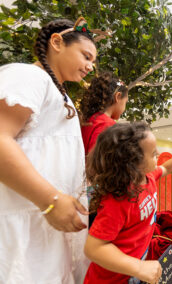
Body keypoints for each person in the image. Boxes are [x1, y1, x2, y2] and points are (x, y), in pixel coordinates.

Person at [0, 18, 97, 283]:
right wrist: (50, 199)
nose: (90, 66)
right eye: (86, 56)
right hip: (23, 228)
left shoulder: (60, 95)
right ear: (56, 42)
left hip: (46, 233)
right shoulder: (27, 76)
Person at [83, 122, 172, 284]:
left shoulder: (148, 177)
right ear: (133, 162)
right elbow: (93, 248)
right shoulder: (118, 201)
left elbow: (166, 168)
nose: (158, 154)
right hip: (111, 279)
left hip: (132, 272)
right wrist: (138, 267)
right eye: (153, 154)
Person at [80, 72, 129, 155]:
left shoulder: (89, 120)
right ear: (118, 97)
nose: (125, 108)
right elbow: (98, 161)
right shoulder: (107, 124)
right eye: (125, 102)